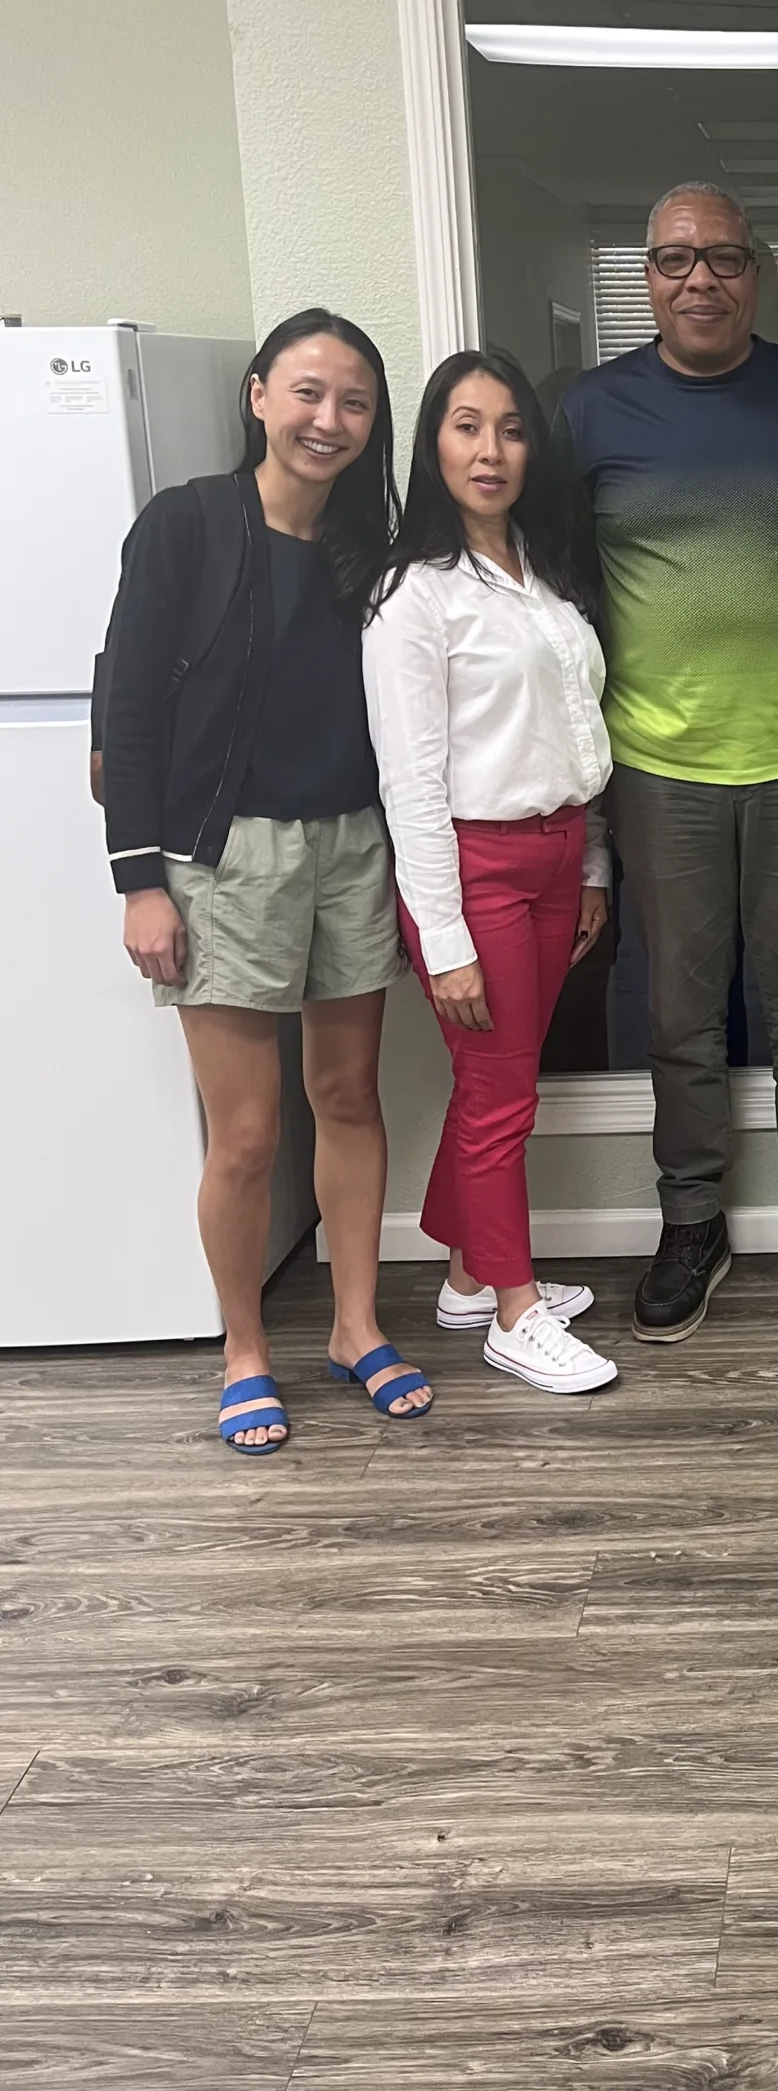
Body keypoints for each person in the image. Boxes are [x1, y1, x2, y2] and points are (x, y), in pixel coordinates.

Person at [554, 183, 778, 1345]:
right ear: (644, 278)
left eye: (724, 258)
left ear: (758, 273)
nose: (700, 280)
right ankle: (690, 1219)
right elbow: (557, 592)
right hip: (658, 763)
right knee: (682, 1013)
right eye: (673, 260)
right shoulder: (591, 413)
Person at [99, 311, 431, 1450]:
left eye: (353, 402)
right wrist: (140, 881)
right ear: (257, 396)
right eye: (306, 393)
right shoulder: (186, 525)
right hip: (222, 859)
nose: (328, 420)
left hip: (352, 848)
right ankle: (244, 1348)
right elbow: (126, 710)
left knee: (347, 1100)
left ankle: (352, 1325)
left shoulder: (374, 556)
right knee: (244, 1135)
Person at [363, 351, 621, 1396]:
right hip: (473, 867)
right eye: (467, 426)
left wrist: (594, 861)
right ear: (433, 445)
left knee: (501, 1085)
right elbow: (410, 783)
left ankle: (471, 1271)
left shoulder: (544, 568)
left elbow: (574, 729)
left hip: (561, 853)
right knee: (497, 1095)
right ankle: (514, 1314)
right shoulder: (411, 596)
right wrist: (449, 938)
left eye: (511, 428)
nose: (491, 449)